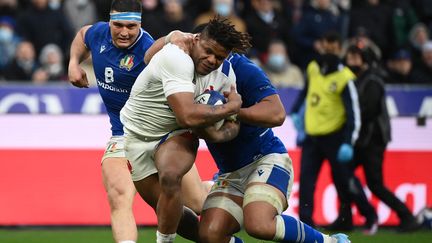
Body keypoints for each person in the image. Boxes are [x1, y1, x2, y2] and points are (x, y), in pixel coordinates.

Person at [67, 1, 212, 242]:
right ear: (110, 22)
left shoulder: (151, 52)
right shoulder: (99, 33)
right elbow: (83, 34)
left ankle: (225, 192)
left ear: (140, 25)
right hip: (122, 134)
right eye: (118, 25)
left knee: (197, 203)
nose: (124, 32)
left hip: (160, 134)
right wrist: (73, 63)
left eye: (131, 27)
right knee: (119, 194)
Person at [194, 51, 350, 243]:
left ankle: (330, 242)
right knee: (210, 235)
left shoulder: (240, 67)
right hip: (230, 173)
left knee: (259, 224)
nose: (211, 59)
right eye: (207, 52)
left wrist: (232, 111)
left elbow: (277, 114)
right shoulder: (185, 74)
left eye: (217, 52)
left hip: (265, 158)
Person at [119, 17, 251, 243]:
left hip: (177, 133)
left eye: (219, 57)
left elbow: (231, 124)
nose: (212, 60)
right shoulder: (176, 56)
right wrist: (230, 107)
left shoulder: (226, 74)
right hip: (137, 138)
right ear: (196, 40)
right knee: (175, 213)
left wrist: (217, 134)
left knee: (170, 177)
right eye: (208, 51)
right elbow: (188, 114)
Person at [291, 31, 378, 233]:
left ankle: (369, 215)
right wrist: (295, 113)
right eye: (326, 44)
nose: (328, 48)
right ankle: (306, 223)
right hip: (312, 137)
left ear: (339, 48)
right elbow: (306, 93)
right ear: (320, 45)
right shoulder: (313, 68)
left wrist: (348, 141)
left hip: (334, 138)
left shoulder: (345, 77)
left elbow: (353, 112)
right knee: (306, 181)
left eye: (333, 45)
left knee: (345, 180)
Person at [342, 44, 421, 232]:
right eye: (349, 57)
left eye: (355, 58)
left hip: (372, 141)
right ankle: (346, 217)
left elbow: (368, 112)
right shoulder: (360, 79)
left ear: (365, 61)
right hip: (362, 140)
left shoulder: (372, 81)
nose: (350, 62)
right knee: (343, 175)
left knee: (374, 184)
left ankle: (406, 216)